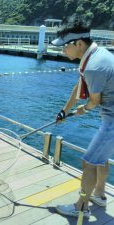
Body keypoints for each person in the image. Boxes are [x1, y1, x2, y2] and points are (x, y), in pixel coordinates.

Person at [52, 18, 114, 218]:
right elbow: (79, 86)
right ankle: (99, 195)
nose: (62, 52)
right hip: (110, 117)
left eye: (64, 47)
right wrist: (64, 110)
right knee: (100, 159)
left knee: (88, 162)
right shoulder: (95, 54)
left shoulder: (93, 66)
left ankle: (81, 207)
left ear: (78, 43)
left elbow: (93, 101)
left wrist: (83, 109)